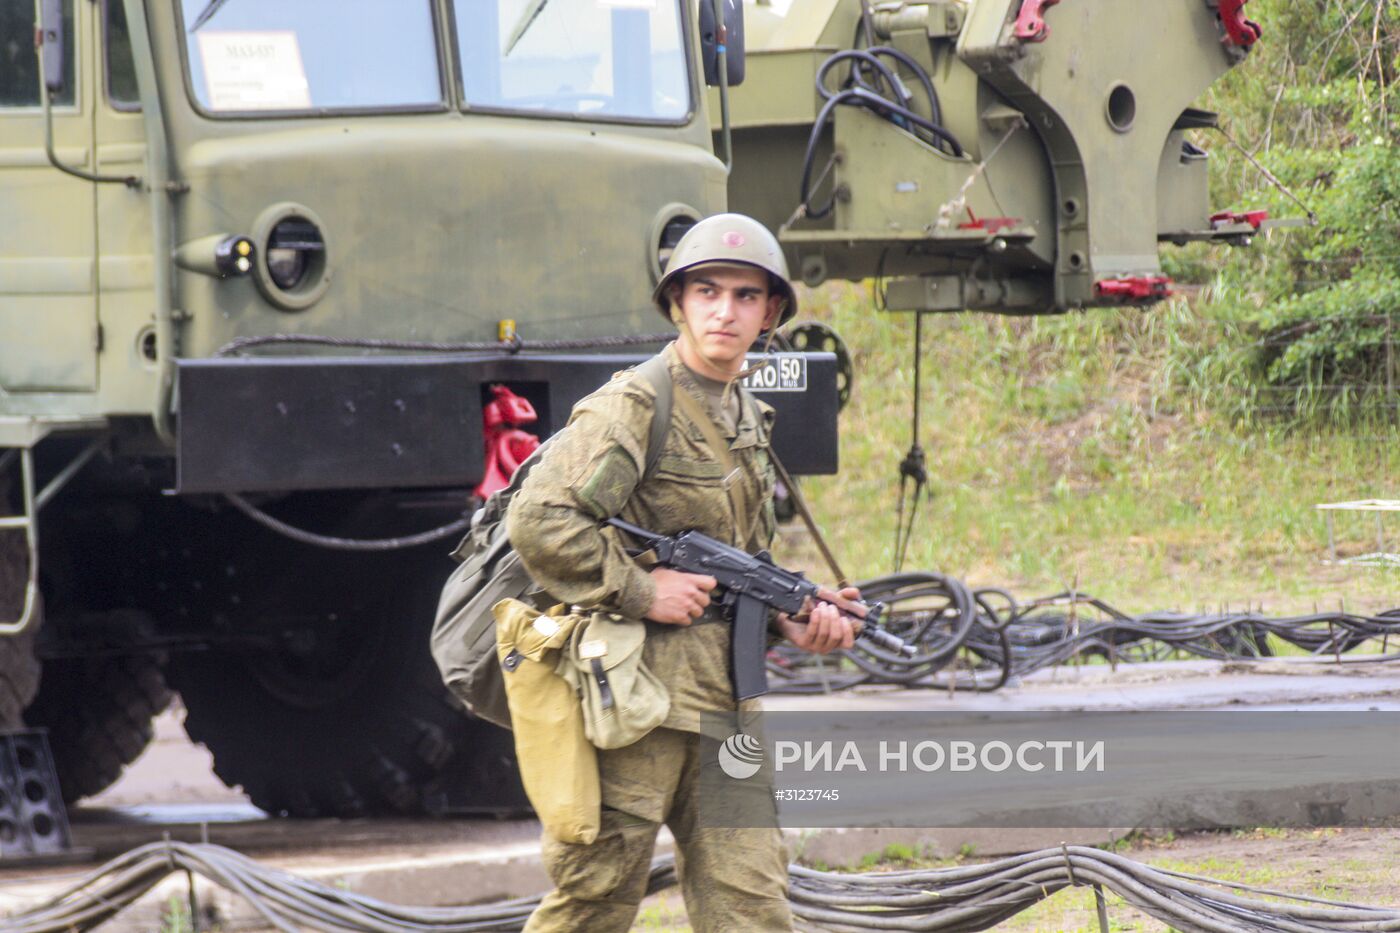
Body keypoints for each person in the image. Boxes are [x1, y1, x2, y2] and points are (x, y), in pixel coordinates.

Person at [507, 213, 857, 932]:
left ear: (771, 314)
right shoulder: (636, 405)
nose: (724, 310)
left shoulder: (745, 413)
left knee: (754, 904)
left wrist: (794, 611)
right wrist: (642, 588)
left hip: (726, 705)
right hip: (636, 702)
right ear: (678, 302)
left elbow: (739, 555)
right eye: (707, 291)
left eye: (745, 296)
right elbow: (539, 519)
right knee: (594, 899)